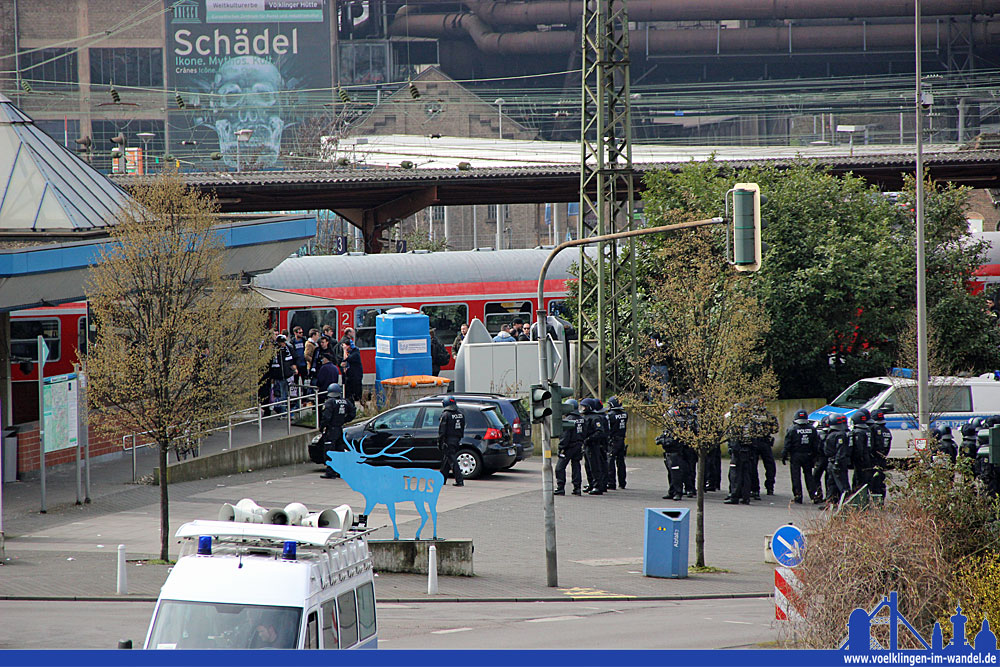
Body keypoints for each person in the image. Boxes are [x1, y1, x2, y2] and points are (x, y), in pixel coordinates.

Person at [782, 409, 820, 504]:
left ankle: (798, 496)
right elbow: (816, 445)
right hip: (808, 455)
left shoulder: (792, 429)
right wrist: (815, 457)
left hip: (796, 456)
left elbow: (787, 444)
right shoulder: (812, 429)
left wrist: (784, 455)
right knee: (809, 476)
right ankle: (814, 495)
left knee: (796, 476)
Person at [320, 383, 356, 479]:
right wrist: (344, 420)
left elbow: (326, 417)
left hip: (331, 429)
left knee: (329, 449)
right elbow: (353, 413)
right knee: (339, 449)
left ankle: (330, 472)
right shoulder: (345, 402)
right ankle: (341, 471)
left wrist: (322, 427)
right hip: (340, 428)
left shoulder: (329, 402)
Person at [747, 399, 779, 499]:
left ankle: (755, 489)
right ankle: (770, 487)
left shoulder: (750, 416)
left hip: (754, 441)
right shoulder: (769, 415)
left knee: (753, 466)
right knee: (770, 465)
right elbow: (775, 429)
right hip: (765, 442)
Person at [554, 399, 585, 496]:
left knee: (559, 468)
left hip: (568, 447)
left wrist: (561, 447)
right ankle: (577, 488)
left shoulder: (568, 420)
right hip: (579, 445)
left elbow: (565, 436)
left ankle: (560, 488)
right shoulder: (582, 419)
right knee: (576, 466)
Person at [724, 403, 752, 505]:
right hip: (748, 450)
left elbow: (734, 439)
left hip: (738, 452)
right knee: (746, 475)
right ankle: (746, 497)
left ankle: (734, 496)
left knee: (734, 475)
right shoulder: (749, 422)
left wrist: (733, 450)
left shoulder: (736, 423)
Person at [581, 398, 608, 495]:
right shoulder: (586, 417)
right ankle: (591, 483)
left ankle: (598, 486)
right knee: (588, 466)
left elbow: (599, 432)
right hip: (587, 445)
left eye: (584, 406)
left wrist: (589, 439)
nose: (582, 408)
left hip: (593, 445)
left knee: (595, 465)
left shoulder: (595, 418)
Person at [658, 415, 688, 501]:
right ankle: (671, 491)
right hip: (668, 453)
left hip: (675, 453)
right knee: (670, 474)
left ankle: (678, 492)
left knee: (676, 474)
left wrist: (663, 441)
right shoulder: (668, 429)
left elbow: (673, 441)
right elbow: (663, 436)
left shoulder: (678, 429)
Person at [438, 397, 466, 486]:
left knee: (452, 460)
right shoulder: (461, 414)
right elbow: (462, 427)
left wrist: (440, 442)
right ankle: (442, 479)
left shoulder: (445, 415)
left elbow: (442, 430)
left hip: (448, 440)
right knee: (447, 459)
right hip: (457, 439)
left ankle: (459, 480)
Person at [825, 413, 852, 502]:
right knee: (831, 484)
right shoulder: (836, 433)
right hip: (832, 462)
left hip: (837, 463)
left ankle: (847, 504)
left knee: (843, 485)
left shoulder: (840, 435)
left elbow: (841, 450)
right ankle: (830, 503)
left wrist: (837, 462)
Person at [605, 396, 628, 490]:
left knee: (610, 461)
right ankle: (622, 482)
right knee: (621, 462)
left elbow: (608, 428)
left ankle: (611, 483)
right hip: (621, 440)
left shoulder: (610, 416)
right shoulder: (625, 414)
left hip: (613, 440)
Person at [869, 410, 892, 501]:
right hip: (883, 458)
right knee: (881, 481)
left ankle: (876, 502)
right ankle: (881, 501)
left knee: (874, 481)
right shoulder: (887, 431)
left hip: (874, 459)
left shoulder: (873, 429)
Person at [269, 334, 296, 413]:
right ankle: (282, 411)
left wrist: (294, 367)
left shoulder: (289, 349)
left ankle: (289, 410)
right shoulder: (275, 351)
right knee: (281, 394)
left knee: (290, 394)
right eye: (281, 342)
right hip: (279, 376)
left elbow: (294, 358)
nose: (282, 344)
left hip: (288, 375)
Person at [849, 411, 872, 491]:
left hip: (860, 459)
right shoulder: (868, 430)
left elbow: (859, 448)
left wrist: (855, 457)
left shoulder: (858, 432)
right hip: (867, 457)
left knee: (859, 478)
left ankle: (858, 497)